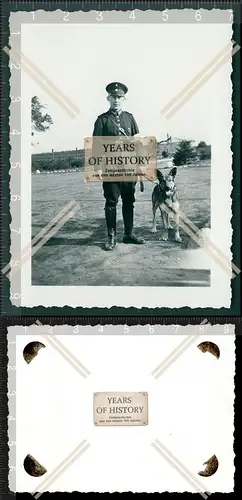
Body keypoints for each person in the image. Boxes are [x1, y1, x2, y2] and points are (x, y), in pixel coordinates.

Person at [92, 82, 146, 251]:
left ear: (124, 98)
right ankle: (111, 237)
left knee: (129, 200)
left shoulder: (130, 118)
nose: (116, 100)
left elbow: (138, 143)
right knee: (111, 202)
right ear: (108, 98)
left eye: (119, 97)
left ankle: (128, 234)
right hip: (111, 169)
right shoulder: (102, 120)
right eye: (113, 97)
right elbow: (96, 145)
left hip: (129, 168)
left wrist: (142, 164)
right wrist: (97, 167)